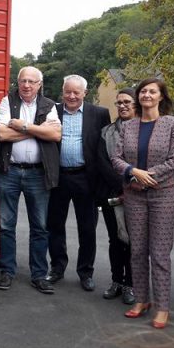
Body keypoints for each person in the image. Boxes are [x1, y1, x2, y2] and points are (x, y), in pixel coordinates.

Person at [111, 78, 174, 329]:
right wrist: (133, 171)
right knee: (138, 251)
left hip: (163, 193)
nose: (147, 95)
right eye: (143, 91)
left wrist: (146, 175)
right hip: (133, 194)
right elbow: (116, 158)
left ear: (161, 96)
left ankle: (162, 306)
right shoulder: (128, 126)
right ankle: (142, 300)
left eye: (153, 91)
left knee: (160, 253)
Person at [0, 66, 61, 293]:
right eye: (23, 81)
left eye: (32, 81)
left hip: (38, 173)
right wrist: (37, 130)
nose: (27, 85)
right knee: (6, 225)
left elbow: (55, 134)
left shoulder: (49, 105)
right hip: (9, 171)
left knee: (40, 226)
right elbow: (2, 134)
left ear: (39, 84)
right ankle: (7, 272)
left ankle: (39, 275)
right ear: (18, 82)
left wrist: (21, 125)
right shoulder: (7, 101)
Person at [46, 75, 111, 292]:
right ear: (62, 92)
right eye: (68, 92)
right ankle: (57, 268)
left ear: (85, 93)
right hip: (59, 177)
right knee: (55, 225)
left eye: (76, 92)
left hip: (86, 177)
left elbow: (105, 149)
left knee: (87, 227)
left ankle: (85, 272)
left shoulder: (99, 114)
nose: (71, 96)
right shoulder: (52, 110)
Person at [95, 88, 137, 305]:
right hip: (111, 194)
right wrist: (120, 186)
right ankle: (116, 281)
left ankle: (131, 284)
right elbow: (102, 162)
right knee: (115, 240)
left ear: (136, 105)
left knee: (132, 242)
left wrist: (131, 187)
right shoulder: (107, 132)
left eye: (127, 102)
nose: (122, 106)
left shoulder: (145, 130)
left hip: (137, 195)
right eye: (119, 102)